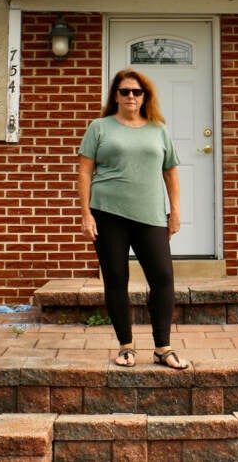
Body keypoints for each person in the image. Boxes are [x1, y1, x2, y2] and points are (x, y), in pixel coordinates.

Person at [77, 68, 188, 370]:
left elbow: (170, 172)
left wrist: (175, 211)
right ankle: (126, 346)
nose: (130, 96)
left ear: (144, 97)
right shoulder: (99, 127)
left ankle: (163, 348)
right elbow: (85, 171)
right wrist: (86, 213)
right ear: (115, 95)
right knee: (116, 279)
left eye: (136, 92)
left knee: (163, 278)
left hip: (150, 215)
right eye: (124, 91)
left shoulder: (158, 129)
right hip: (107, 213)